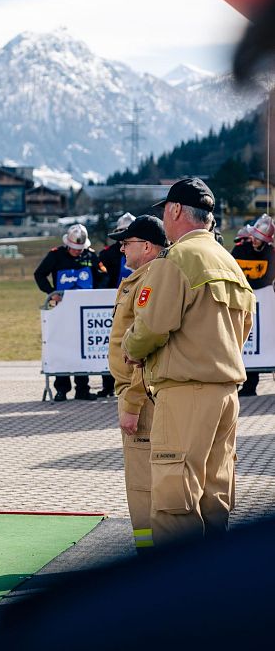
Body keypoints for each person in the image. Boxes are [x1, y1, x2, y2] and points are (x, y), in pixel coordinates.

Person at [122, 178, 255, 546]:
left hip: (185, 393)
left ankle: (175, 594)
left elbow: (152, 324)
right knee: (216, 496)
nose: (164, 218)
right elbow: (244, 326)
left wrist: (132, 348)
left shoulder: (178, 257)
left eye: (165, 210)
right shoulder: (228, 260)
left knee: (174, 499)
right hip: (226, 392)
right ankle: (214, 587)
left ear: (176, 210)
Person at [107, 215, 167, 554]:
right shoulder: (139, 277)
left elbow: (145, 348)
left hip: (141, 395)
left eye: (126, 242)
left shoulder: (153, 280)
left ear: (147, 246)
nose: (121, 247)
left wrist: (131, 402)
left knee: (143, 481)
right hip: (134, 390)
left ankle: (150, 552)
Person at [34, 223, 108, 401]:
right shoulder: (55, 255)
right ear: (67, 243)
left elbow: (104, 275)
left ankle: (82, 389)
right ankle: (61, 389)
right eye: (74, 248)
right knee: (62, 346)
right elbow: (39, 274)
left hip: (84, 313)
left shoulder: (91, 256)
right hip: (62, 311)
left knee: (81, 348)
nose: (77, 251)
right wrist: (51, 293)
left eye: (79, 248)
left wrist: (95, 294)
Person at [231, 213, 275, 396]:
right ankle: (241, 383)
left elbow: (269, 276)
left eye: (259, 239)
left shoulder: (271, 253)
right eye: (254, 237)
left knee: (260, 346)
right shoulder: (240, 250)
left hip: (264, 306)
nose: (255, 241)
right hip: (243, 303)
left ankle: (252, 386)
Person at [96, 212, 136, 398]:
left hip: (138, 303)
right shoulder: (107, 254)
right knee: (114, 344)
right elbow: (102, 278)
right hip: (115, 305)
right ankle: (108, 384)